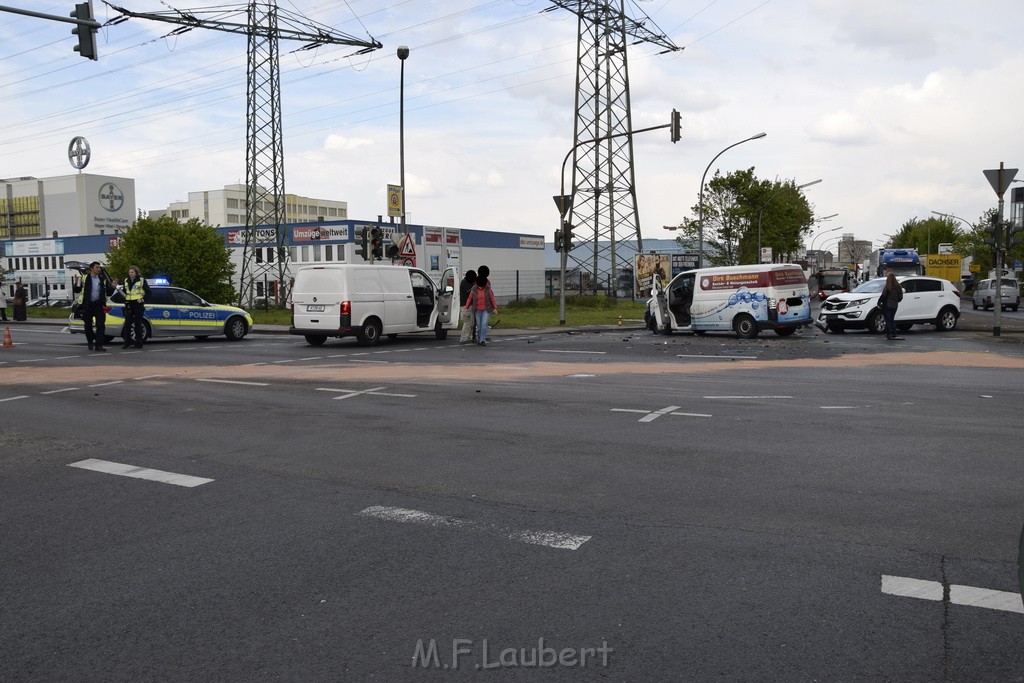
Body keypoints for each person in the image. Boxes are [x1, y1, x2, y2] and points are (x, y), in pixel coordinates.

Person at [72, 262, 116, 352]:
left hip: (99, 305)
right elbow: (77, 290)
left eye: (99, 268)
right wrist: (76, 283)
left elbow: (109, 293)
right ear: (91, 268)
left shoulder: (102, 279)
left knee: (100, 325)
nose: (99, 269)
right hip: (88, 305)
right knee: (88, 326)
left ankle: (98, 345)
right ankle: (90, 342)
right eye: (97, 267)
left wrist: (113, 287)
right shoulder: (84, 278)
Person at [465, 269, 498, 346]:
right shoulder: (474, 289)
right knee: (479, 325)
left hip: (486, 310)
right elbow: (470, 298)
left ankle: (482, 340)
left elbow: (492, 298)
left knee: (484, 324)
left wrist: (495, 307)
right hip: (477, 310)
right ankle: (479, 338)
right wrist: (466, 306)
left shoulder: (488, 288)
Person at [121, 265, 150, 349]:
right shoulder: (126, 280)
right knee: (127, 324)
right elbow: (124, 292)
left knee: (137, 324)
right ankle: (126, 343)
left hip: (138, 304)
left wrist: (143, 299)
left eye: (132, 272)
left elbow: (149, 292)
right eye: (129, 272)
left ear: (136, 272)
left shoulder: (141, 280)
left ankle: (138, 343)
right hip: (129, 304)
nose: (130, 274)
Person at [878, 270, 903, 340]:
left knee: (888, 320)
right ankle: (894, 334)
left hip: (887, 304)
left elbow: (883, 295)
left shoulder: (887, 287)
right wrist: (896, 300)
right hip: (895, 305)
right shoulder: (898, 287)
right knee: (892, 320)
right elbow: (900, 297)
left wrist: (879, 302)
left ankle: (888, 334)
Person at [458, 269, 477, 344]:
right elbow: (469, 291)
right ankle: (464, 338)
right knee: (467, 322)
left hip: (469, 305)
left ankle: (469, 337)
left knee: (471, 323)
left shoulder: (467, 282)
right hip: (465, 305)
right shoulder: (465, 282)